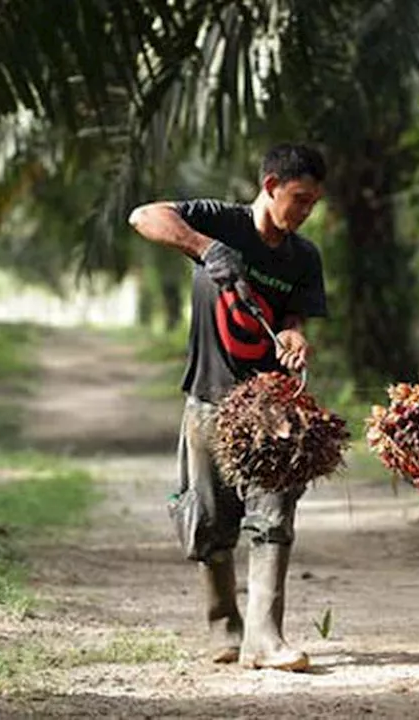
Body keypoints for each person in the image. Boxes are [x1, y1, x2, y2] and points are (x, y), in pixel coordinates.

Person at [127, 143, 328, 672]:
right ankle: (225, 626)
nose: (305, 212)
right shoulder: (222, 222)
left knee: (275, 513)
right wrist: (204, 249)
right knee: (211, 522)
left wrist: (293, 337)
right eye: (298, 199)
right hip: (209, 399)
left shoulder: (304, 257)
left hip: (269, 409)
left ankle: (266, 636)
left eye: (313, 203)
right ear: (269, 187)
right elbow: (143, 215)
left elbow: (292, 319)